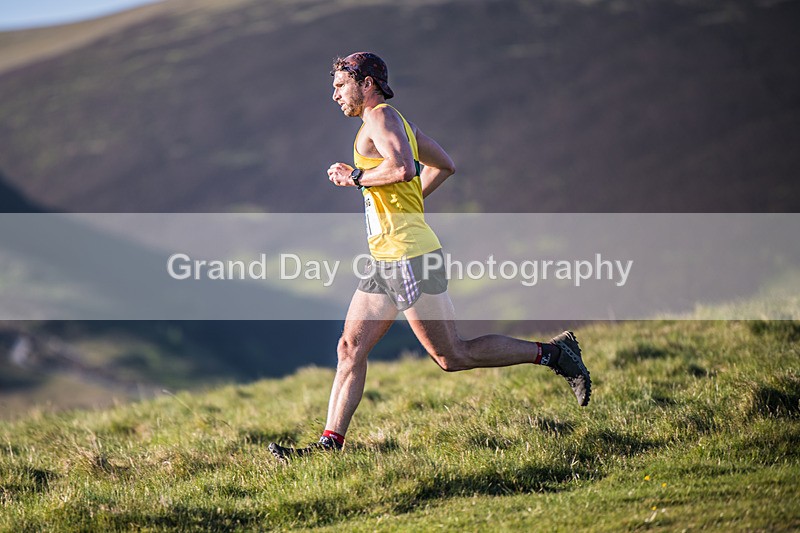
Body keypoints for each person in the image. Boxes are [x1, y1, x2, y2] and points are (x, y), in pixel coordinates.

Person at [269, 52, 591, 460]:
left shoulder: (380, 119)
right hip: (385, 258)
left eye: (339, 85)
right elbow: (445, 165)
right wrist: (405, 204)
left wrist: (355, 177)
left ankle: (555, 354)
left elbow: (403, 168)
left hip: (410, 256)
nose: (333, 94)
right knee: (350, 348)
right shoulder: (398, 122)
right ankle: (328, 446)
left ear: (366, 82)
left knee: (451, 355)